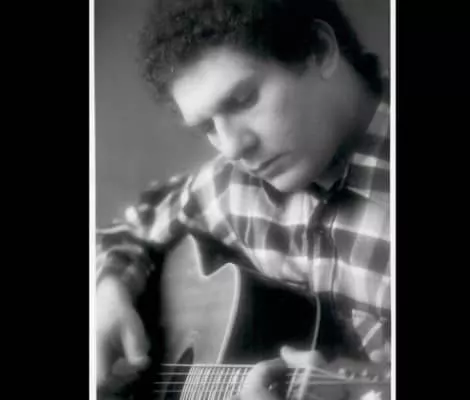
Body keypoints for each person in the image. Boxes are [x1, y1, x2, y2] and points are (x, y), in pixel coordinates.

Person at [95, 0, 390, 398]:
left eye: (243, 99)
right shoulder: (233, 185)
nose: (233, 147)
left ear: (319, 50)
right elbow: (133, 227)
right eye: (207, 127)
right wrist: (108, 293)